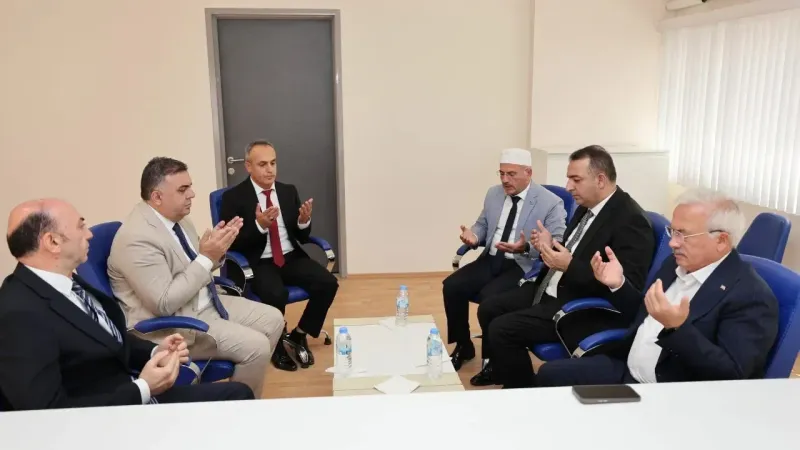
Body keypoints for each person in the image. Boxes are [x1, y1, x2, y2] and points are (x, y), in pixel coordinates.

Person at [0, 199, 254, 410]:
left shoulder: (65, 281)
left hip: (126, 392)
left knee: (237, 395)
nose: (89, 234)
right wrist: (143, 388)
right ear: (52, 242)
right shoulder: (19, 314)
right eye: (81, 226)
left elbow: (106, 336)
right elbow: (46, 412)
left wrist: (154, 351)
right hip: (106, 419)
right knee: (235, 400)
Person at [536, 188, 779, 387]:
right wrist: (618, 285)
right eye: (673, 232)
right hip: (626, 369)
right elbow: (645, 313)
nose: (673, 243)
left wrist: (677, 328)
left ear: (721, 240)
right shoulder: (676, 263)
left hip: (670, 392)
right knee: (548, 375)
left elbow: (732, 375)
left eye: (683, 235)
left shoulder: (750, 296)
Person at [108, 157, 285, 397]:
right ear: (157, 197)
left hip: (202, 301)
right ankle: (239, 406)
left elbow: (198, 265)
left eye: (190, 186)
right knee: (257, 347)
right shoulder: (136, 239)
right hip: (173, 324)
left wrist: (217, 251)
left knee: (274, 319)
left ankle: (240, 395)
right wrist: (206, 258)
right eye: (183, 189)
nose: (192, 194)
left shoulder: (179, 219)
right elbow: (163, 303)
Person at [480, 145, 655, 388]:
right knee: (489, 308)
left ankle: (523, 392)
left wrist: (569, 265)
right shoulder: (587, 205)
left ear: (600, 180)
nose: (568, 187)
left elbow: (626, 289)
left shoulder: (631, 220)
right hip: (552, 286)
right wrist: (550, 245)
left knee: (502, 329)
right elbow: (576, 249)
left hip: (577, 304)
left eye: (576, 179)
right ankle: (502, 372)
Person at [219, 141, 339, 372]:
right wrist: (259, 226)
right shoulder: (233, 198)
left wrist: (303, 221)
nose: (270, 170)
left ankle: (299, 334)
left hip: (290, 257)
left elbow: (301, 236)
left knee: (328, 283)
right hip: (258, 261)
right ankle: (276, 343)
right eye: (262, 164)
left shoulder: (287, 191)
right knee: (275, 294)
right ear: (248, 166)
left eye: (273, 163)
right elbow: (231, 242)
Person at [444, 148, 567, 372]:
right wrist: (474, 236)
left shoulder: (551, 202)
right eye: (501, 173)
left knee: (490, 299)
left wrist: (527, 247)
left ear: (528, 173)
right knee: (452, 286)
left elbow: (557, 243)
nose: (505, 180)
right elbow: (482, 224)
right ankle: (464, 345)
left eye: (511, 174)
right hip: (491, 258)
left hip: (521, 264)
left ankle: (493, 360)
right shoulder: (493, 194)